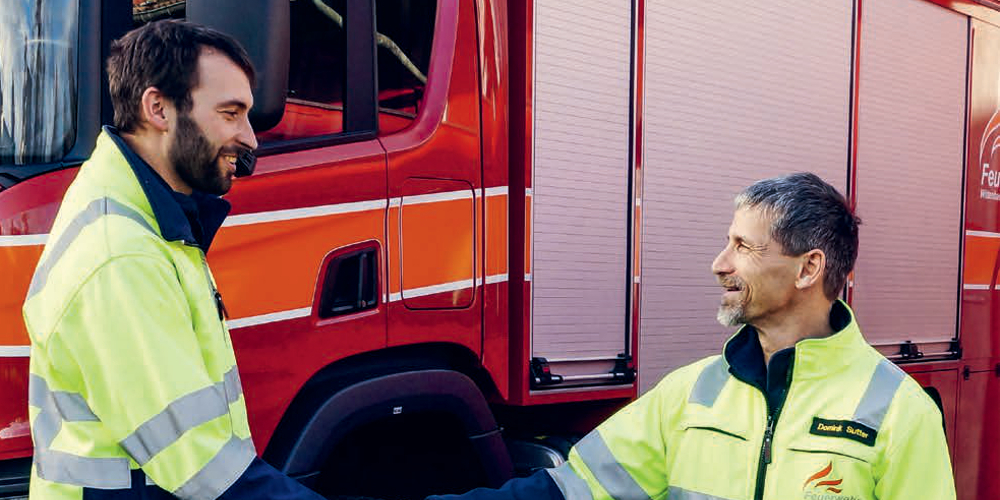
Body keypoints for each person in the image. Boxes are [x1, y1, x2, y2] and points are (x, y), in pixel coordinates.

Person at [430, 173, 955, 500]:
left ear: (807, 269)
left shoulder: (899, 412)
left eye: (743, 247)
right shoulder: (689, 394)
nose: (719, 263)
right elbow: (568, 491)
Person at [23, 20, 328, 500]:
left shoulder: (142, 211)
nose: (251, 140)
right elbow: (206, 474)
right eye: (231, 114)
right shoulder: (122, 256)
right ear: (158, 109)